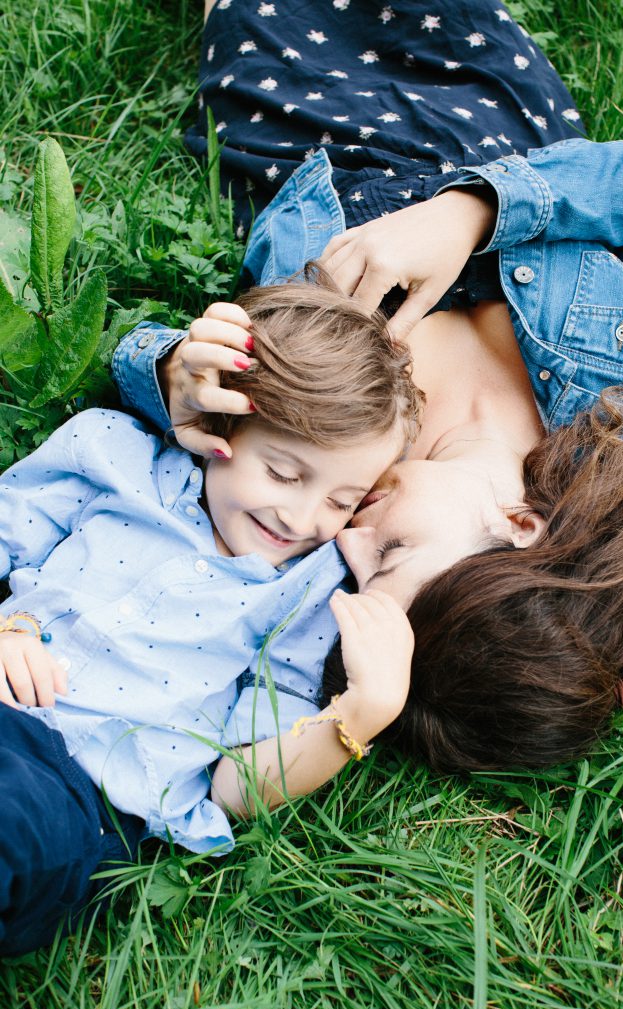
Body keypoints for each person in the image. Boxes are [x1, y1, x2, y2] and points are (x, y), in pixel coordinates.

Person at [115, 0, 623, 772]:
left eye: (357, 575)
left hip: (296, 129)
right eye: (392, 552)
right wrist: (470, 213)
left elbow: (174, 390)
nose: (346, 537)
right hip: (486, 111)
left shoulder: (330, 472)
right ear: (520, 526)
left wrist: (170, 375)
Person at [0, 280, 420, 956]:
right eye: (283, 473)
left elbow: (236, 785)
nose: (303, 517)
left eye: (343, 500)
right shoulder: (111, 454)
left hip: (78, 788)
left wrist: (360, 714)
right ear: (218, 423)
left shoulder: (312, 594)